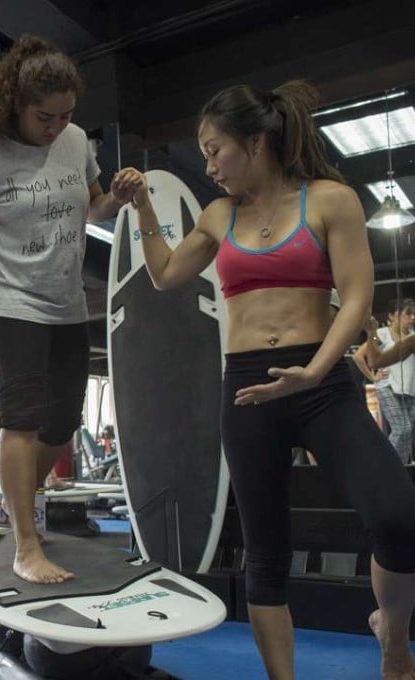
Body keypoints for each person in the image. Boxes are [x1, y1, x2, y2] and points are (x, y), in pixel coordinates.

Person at [134, 79, 415, 679]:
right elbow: (162, 275)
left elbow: (359, 297)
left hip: (322, 380)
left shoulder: (330, 200)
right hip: (249, 388)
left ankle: (392, 635)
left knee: (397, 516)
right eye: (204, 152)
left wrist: (314, 370)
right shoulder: (218, 215)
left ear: (255, 141)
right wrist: (143, 209)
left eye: (215, 149)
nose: (208, 164)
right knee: (266, 553)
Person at [0, 34, 143, 585]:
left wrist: (118, 197)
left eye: (65, 115)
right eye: (43, 117)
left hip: (67, 303)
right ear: (15, 106)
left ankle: (15, 500)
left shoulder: (76, 141)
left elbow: (92, 204)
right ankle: (25, 544)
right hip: (10, 299)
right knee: (22, 419)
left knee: (62, 422)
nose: (54, 127)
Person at [358, 300, 415, 463]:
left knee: (407, 433)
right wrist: (372, 377)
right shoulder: (381, 334)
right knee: (402, 429)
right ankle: (386, 466)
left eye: (414, 314)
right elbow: (359, 357)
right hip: (388, 386)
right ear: (392, 316)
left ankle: (401, 469)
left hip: (410, 389)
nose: (412, 318)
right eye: (407, 314)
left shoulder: (412, 337)